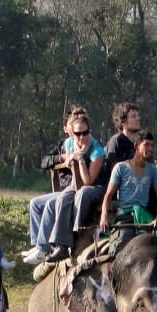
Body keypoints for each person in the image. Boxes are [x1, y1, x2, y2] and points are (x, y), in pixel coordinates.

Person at [46, 113, 106, 263]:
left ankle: (77, 234)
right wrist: (70, 158)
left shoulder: (97, 150)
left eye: (85, 133)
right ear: (72, 133)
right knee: (63, 198)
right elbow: (66, 159)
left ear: (89, 131)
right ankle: (61, 245)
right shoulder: (69, 143)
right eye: (77, 134)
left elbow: (88, 181)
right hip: (75, 183)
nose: (81, 137)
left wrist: (79, 159)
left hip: (96, 186)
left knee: (83, 194)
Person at [23, 112, 75, 265]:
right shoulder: (61, 146)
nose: (74, 127)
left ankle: (43, 247)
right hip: (61, 191)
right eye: (71, 124)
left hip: (71, 191)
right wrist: (61, 158)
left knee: (50, 205)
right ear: (66, 128)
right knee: (35, 203)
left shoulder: (84, 144)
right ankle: (38, 246)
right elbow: (44, 161)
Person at [99, 131, 157, 235]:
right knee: (119, 242)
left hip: (144, 216)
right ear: (136, 146)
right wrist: (104, 217)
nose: (151, 149)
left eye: (152, 145)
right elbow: (108, 195)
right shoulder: (120, 168)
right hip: (125, 216)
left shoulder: (152, 170)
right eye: (146, 144)